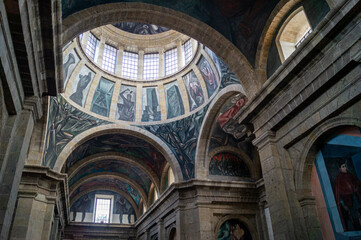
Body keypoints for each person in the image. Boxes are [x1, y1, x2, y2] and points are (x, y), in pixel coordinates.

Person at [334, 160, 361, 231]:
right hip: (348, 201)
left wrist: (355, 188)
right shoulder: (338, 179)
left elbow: (357, 182)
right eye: (343, 167)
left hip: (355, 197)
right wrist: (343, 204)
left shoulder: (350, 174)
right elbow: (338, 194)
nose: (345, 168)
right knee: (354, 217)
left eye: (345, 166)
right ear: (340, 168)